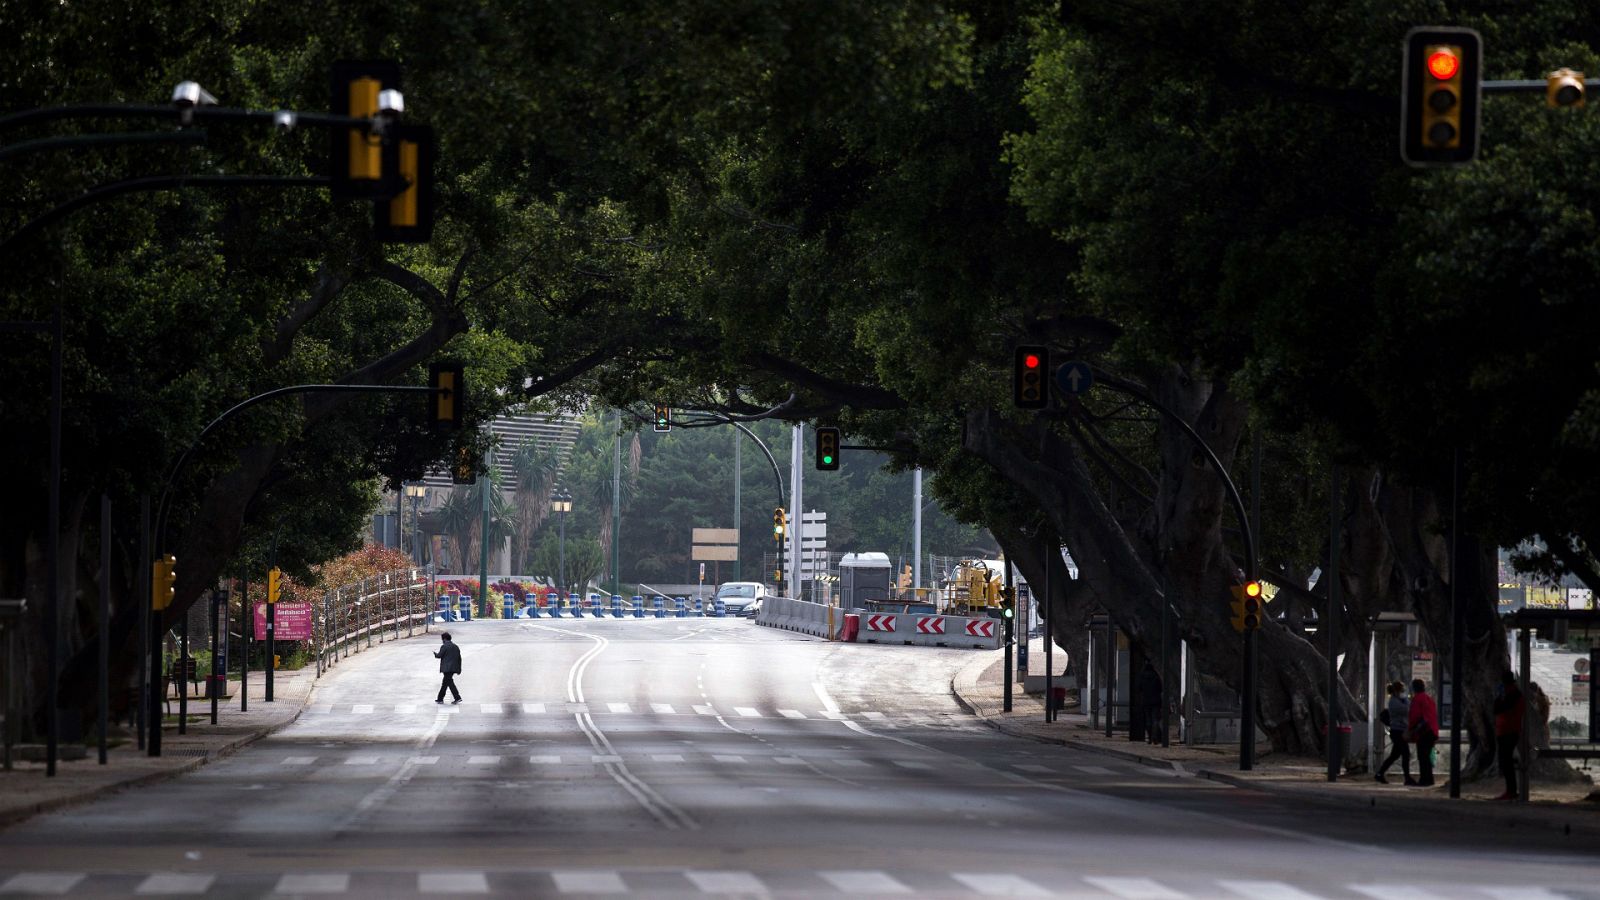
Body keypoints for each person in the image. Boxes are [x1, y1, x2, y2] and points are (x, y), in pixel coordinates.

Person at [1374, 680, 1415, 785]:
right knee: (1405, 754)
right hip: (1397, 732)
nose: (1403, 692)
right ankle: (1407, 778)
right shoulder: (1394, 702)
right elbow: (1407, 709)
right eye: (1402, 690)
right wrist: (1405, 699)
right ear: (1397, 691)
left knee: (1394, 755)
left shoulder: (1398, 700)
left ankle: (1380, 773)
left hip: (1401, 730)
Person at [1492, 670, 1525, 800]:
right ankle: (1510, 790)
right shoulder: (1513, 693)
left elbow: (1498, 708)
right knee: (1506, 761)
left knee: (1506, 762)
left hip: (1508, 730)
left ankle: (1511, 791)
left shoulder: (1512, 694)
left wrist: (1499, 697)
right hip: (1507, 730)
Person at [1406, 678, 1438, 786]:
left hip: (1424, 731)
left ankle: (1424, 779)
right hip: (1432, 730)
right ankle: (1429, 778)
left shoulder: (1417, 699)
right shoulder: (1429, 699)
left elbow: (1415, 716)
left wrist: (1411, 729)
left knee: (1422, 756)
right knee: (1426, 756)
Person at [1136, 661, 1164, 744]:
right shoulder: (1156, 677)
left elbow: (1139, 689)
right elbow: (1160, 689)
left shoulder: (1142, 677)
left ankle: (1149, 737)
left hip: (1146, 701)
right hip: (1156, 701)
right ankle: (1155, 737)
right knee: (1155, 720)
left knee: (1148, 720)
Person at [434, 632, 462, 704]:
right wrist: (459, 668)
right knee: (445, 683)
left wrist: (435, 654)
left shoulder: (444, 646)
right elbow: (459, 658)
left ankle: (457, 697)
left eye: (442, 639)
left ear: (445, 639)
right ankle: (440, 698)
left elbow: (439, 655)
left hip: (447, 668)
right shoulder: (456, 646)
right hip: (454, 668)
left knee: (449, 682)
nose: (442, 641)